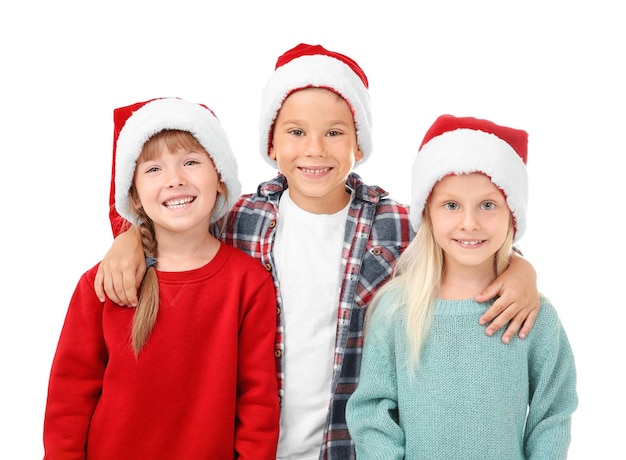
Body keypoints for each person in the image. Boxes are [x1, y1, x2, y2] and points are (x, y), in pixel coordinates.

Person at [94, 45, 541, 459]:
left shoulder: (396, 224)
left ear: (358, 144)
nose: (314, 149)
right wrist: (128, 236)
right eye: (296, 132)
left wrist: (521, 267)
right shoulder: (239, 219)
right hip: (251, 444)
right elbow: (173, 227)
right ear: (271, 144)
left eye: (333, 132)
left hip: (350, 445)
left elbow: (465, 240)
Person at [43, 97, 280, 459]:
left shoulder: (248, 283)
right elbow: (69, 399)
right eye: (154, 169)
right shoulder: (102, 282)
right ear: (134, 196)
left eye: (190, 162)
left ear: (220, 177)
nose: (175, 179)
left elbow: (257, 404)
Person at [345, 115, 578, 459]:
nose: (470, 223)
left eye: (488, 205)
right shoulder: (397, 308)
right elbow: (373, 413)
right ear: (428, 215)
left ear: (513, 214)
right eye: (451, 205)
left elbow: (552, 416)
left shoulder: (533, 315)